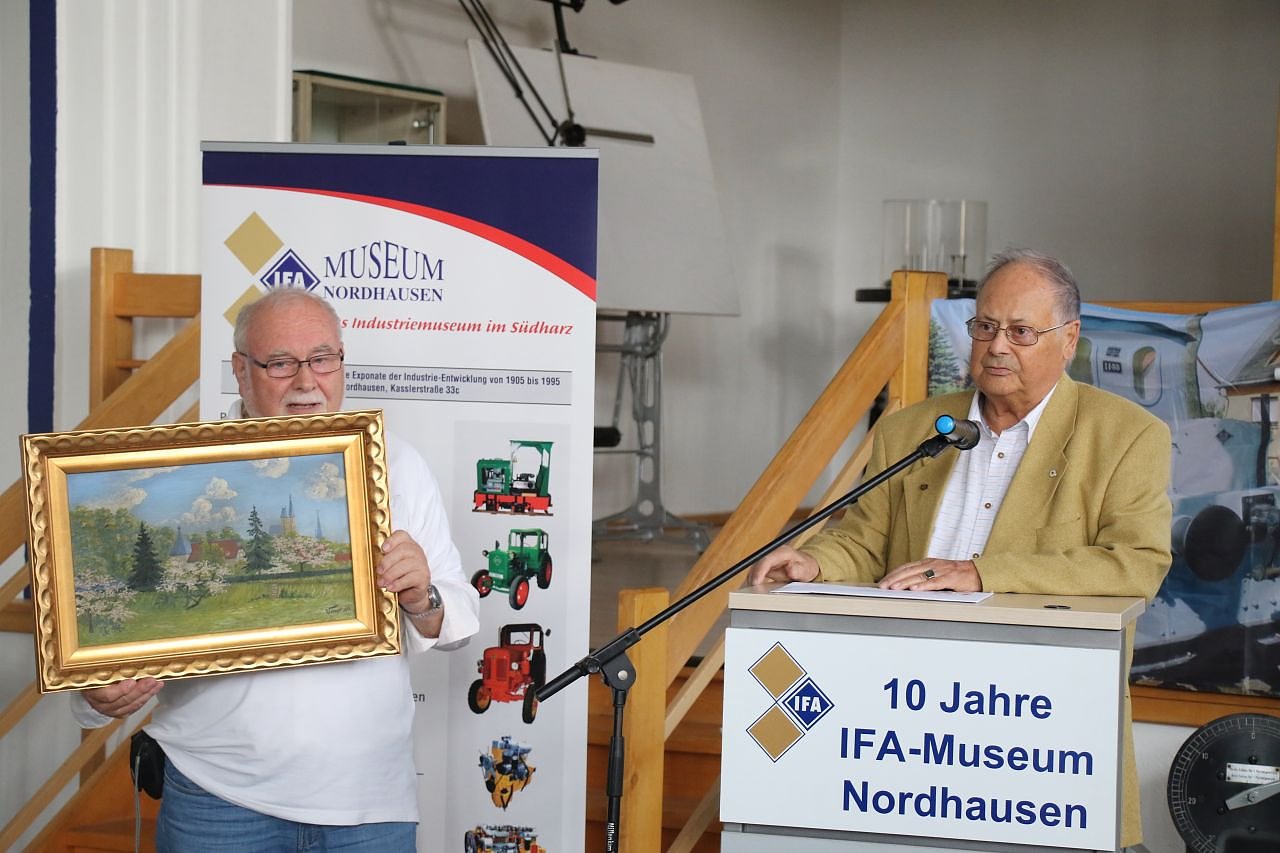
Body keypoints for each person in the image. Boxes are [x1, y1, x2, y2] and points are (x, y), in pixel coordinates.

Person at [748, 248, 1172, 849]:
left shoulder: (1126, 435)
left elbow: (1135, 565)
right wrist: (815, 562)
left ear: (1069, 339)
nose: (997, 347)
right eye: (985, 327)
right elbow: (866, 539)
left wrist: (981, 574)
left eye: (1021, 332)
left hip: (1038, 730)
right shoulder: (910, 429)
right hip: (906, 720)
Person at [71, 288, 480, 851]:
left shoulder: (396, 464)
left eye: (322, 359)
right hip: (216, 799)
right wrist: (95, 695)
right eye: (281, 363)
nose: (307, 381)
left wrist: (423, 599)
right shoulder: (173, 473)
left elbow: (456, 622)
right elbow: (97, 639)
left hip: (368, 801)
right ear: (241, 370)